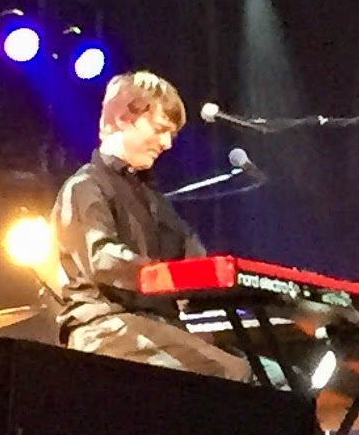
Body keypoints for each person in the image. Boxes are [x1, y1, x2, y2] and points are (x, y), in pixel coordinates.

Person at [52, 70, 251, 381]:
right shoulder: (85, 186)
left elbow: (195, 257)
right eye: (160, 130)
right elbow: (103, 260)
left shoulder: (152, 198)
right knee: (234, 373)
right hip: (105, 328)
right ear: (122, 119)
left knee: (278, 379)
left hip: (158, 325)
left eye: (171, 134)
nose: (167, 143)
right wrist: (166, 277)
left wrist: (261, 292)